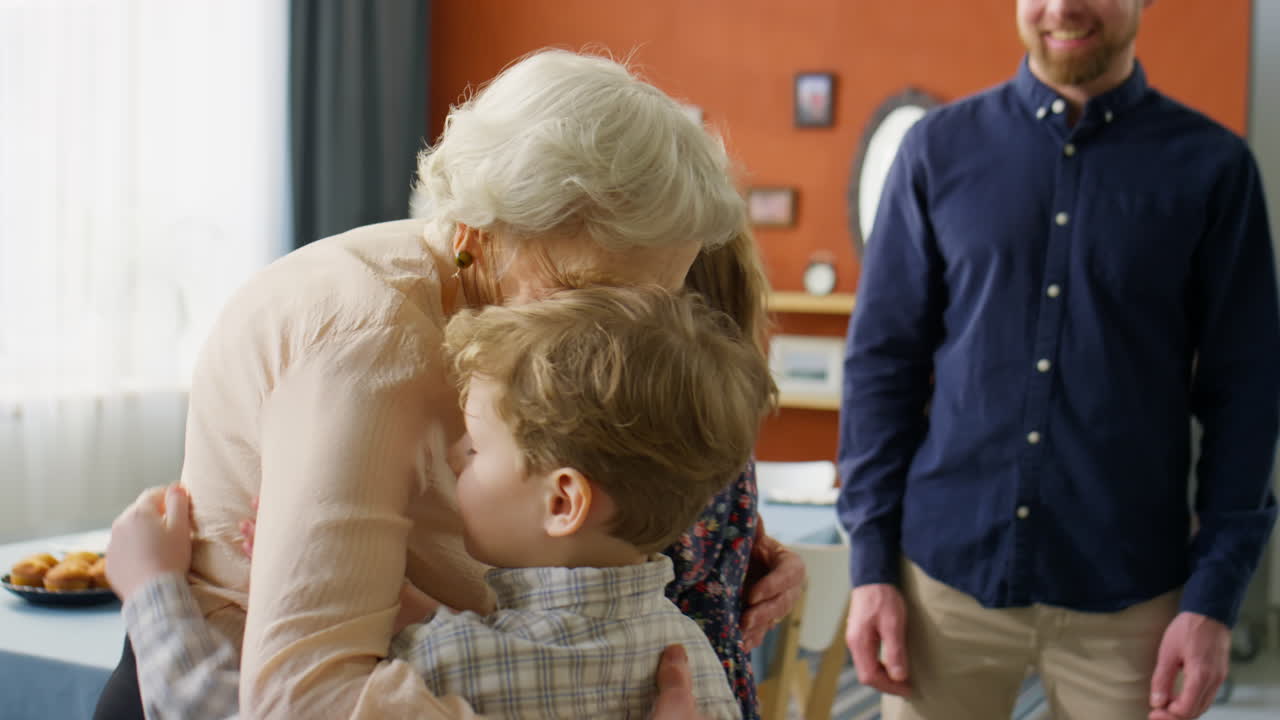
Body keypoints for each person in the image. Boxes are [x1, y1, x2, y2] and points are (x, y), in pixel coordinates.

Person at [94, 48, 803, 720]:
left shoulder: (525, 328)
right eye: (590, 291)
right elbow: (304, 702)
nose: (622, 332)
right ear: (480, 228)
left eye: (655, 299)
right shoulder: (367, 338)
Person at [836, 2, 1280, 720]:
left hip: (1132, 602)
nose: (1065, 6)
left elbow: (1247, 395)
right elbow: (881, 368)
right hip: (942, 591)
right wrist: (870, 569)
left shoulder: (1215, 169)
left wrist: (1214, 601)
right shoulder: (935, 152)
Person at [106, 285, 779, 720]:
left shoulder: (447, 667)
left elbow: (232, 712)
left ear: (563, 500)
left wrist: (153, 593)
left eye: (478, 448)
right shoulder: (691, 660)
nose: (456, 457)